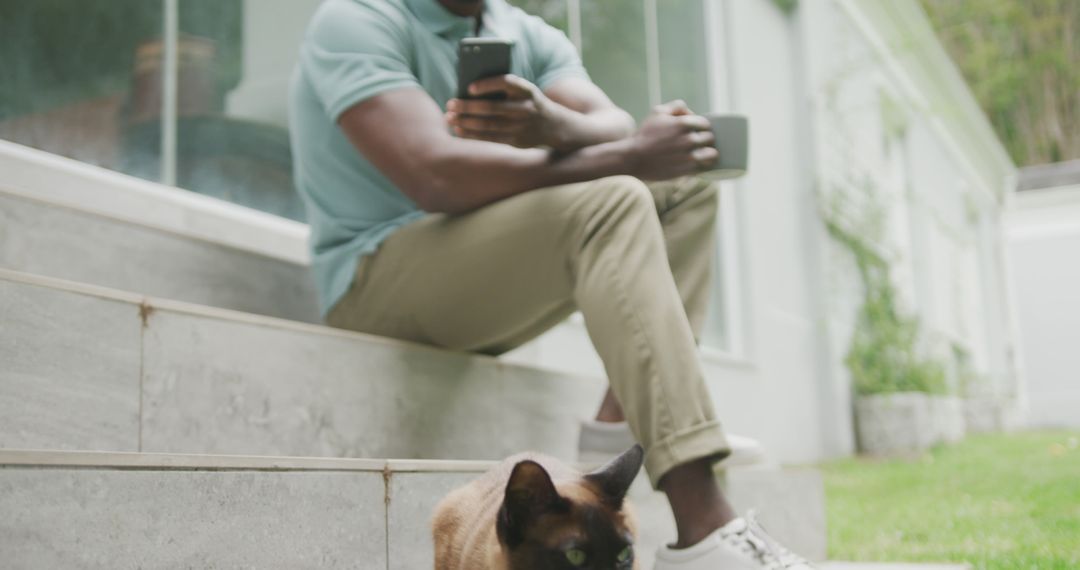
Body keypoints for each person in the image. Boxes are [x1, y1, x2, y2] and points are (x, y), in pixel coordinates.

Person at [289, 0, 813, 568]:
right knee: (617, 195)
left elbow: (610, 121)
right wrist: (631, 155)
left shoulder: (523, 33)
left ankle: (619, 431)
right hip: (377, 279)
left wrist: (550, 124)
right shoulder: (359, 19)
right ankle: (705, 528)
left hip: (485, 269)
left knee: (684, 187)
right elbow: (433, 173)